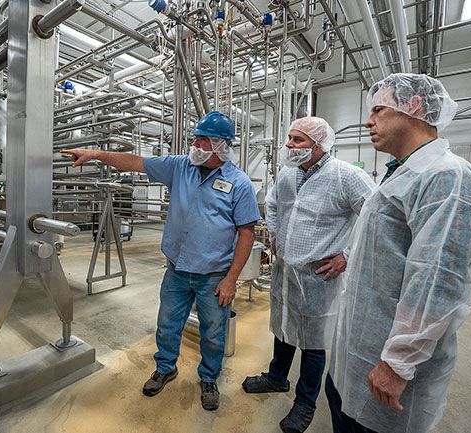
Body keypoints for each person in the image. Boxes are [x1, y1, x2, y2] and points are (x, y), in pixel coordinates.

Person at [326, 73, 471, 433]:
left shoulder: (447, 177)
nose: (368, 121)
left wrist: (398, 363)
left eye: (378, 110)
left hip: (388, 372)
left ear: (413, 106)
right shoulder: (400, 173)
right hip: (356, 357)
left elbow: (438, 280)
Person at [62, 111, 260, 411]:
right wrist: (94, 154)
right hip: (177, 270)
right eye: (195, 137)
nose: (194, 143)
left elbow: (246, 233)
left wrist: (231, 279)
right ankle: (165, 368)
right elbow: (134, 162)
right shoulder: (180, 167)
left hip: (213, 275)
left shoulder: (240, 183)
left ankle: (208, 378)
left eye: (202, 139)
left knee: (214, 334)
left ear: (220, 145)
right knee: (167, 324)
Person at [241, 117, 375, 433]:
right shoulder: (288, 175)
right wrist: (273, 233)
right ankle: (276, 377)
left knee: (313, 342)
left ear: (319, 145)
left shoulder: (346, 176)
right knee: (284, 327)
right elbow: (272, 205)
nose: (289, 144)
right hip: (285, 269)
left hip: (319, 276)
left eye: (298, 140)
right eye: (289, 138)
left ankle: (305, 403)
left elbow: (375, 217)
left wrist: (348, 256)